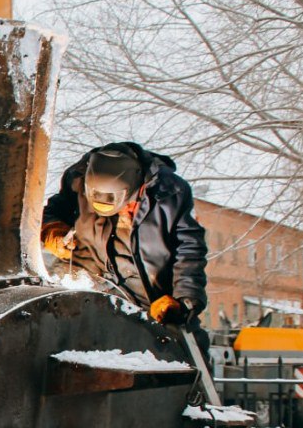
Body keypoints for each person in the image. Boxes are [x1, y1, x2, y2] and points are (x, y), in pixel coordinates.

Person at [41, 142, 208, 333]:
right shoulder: (78, 180)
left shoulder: (170, 195)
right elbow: (51, 211)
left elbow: (189, 251)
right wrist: (51, 229)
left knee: (177, 351)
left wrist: (183, 301)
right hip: (89, 285)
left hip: (149, 299)